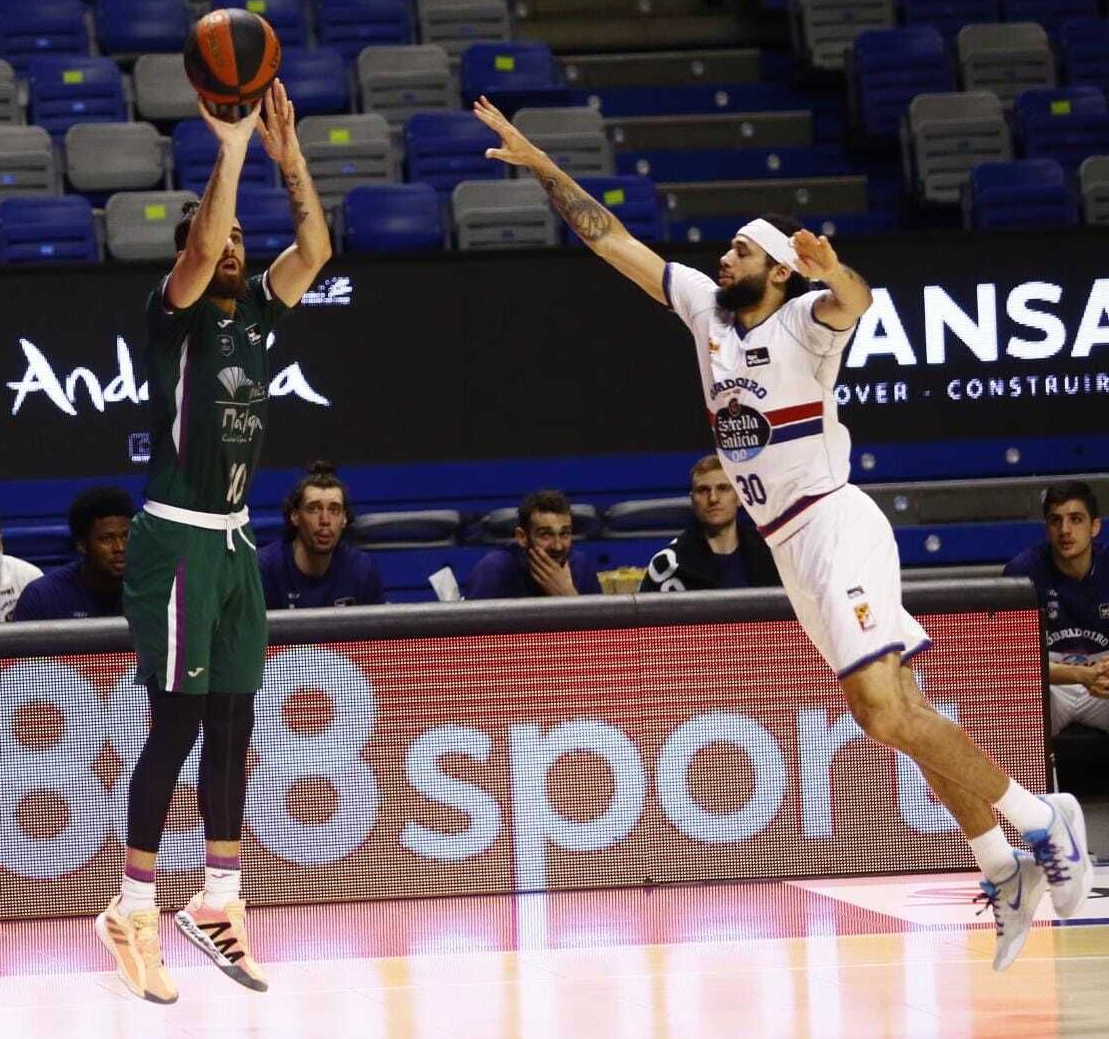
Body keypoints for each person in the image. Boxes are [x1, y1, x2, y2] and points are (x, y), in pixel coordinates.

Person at [473, 94, 1091, 972]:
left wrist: (833, 271)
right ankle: (999, 864)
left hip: (836, 523)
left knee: (884, 710)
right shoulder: (705, 311)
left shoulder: (805, 322)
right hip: (791, 549)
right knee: (895, 715)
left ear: (777, 271)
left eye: (740, 249)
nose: (721, 257)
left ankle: (1040, 822)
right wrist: (542, 165)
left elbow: (857, 299)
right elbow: (610, 239)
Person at [103, 79, 332, 1005]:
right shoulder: (176, 315)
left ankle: (220, 899)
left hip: (234, 544)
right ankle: (130, 909)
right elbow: (200, 246)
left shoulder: (258, 317)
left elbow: (314, 250)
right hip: (177, 543)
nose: (233, 246)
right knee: (179, 723)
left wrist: (290, 160)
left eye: (242, 237)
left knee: (234, 722)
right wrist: (230, 149)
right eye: (221, 237)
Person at [1003, 481, 1109, 737]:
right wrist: (1081, 675)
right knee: (1013, 710)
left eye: (1076, 519)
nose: (1065, 530)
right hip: (1051, 684)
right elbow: (1016, 663)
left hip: (1103, 682)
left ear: (1095, 527)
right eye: (1055, 520)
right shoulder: (1023, 573)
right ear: (1047, 528)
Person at [639, 454, 780, 592]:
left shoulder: (772, 553)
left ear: (739, 497)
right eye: (703, 490)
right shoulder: (667, 566)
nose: (713, 498)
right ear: (693, 500)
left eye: (723, 488)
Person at [257, 461, 385, 610]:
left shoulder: (362, 569)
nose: (325, 520)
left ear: (344, 518)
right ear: (295, 516)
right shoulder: (264, 569)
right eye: (314, 509)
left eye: (334, 510)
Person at [13, 486, 134, 621]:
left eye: (127, 536)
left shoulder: (152, 590)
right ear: (81, 544)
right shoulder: (42, 598)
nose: (120, 547)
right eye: (107, 539)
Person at [464, 490, 602, 600]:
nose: (558, 546)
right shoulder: (493, 570)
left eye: (564, 534)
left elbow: (601, 628)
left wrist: (568, 596)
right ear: (522, 537)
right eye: (545, 534)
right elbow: (472, 627)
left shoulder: (581, 566)